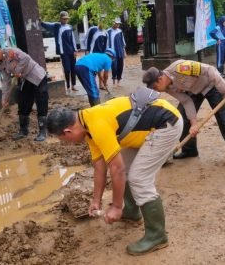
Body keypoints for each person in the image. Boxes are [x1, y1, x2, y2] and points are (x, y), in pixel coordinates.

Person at [46, 91, 183, 255]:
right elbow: (99, 167)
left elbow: (117, 170)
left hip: (166, 125)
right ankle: (132, 212)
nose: (66, 144)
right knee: (125, 165)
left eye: (63, 140)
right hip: (148, 126)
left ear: (68, 131)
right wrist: (96, 201)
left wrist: (117, 207)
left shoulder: (97, 125)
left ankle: (157, 236)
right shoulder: (87, 126)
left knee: (138, 178)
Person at [142, 60, 225, 168]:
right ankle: (189, 150)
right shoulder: (167, 88)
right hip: (194, 91)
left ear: (160, 79)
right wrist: (194, 123)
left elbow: (210, 70)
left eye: (154, 87)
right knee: (182, 118)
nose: (155, 90)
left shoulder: (180, 68)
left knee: (224, 118)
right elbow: (186, 101)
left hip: (211, 84)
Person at [0, 41, 49, 142]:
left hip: (37, 76)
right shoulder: (0, 64)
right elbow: (6, 81)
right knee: (23, 103)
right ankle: (23, 130)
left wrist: (18, 69)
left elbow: (26, 58)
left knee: (41, 102)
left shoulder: (12, 52)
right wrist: (4, 98)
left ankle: (43, 132)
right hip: (25, 80)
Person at [41, 11, 78, 93]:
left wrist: (75, 50)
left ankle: (73, 85)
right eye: (64, 19)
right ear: (60, 19)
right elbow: (47, 25)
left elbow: (73, 39)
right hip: (64, 52)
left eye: (66, 19)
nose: (65, 20)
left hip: (72, 51)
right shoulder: (57, 26)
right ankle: (68, 86)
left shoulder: (70, 27)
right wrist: (41, 22)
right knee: (67, 69)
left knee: (73, 69)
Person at [106, 18, 127, 86]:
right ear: (113, 23)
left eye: (118, 24)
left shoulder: (120, 31)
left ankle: (118, 81)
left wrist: (124, 51)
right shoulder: (108, 31)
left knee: (120, 66)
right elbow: (106, 43)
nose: (117, 25)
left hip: (120, 51)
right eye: (116, 23)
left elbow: (122, 42)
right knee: (114, 66)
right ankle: (114, 80)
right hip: (112, 53)